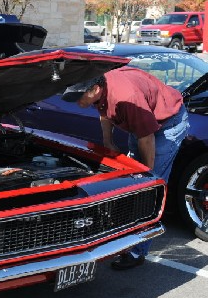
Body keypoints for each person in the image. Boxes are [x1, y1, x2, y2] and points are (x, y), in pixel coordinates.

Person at [62, 66, 189, 270]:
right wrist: (108, 141)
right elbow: (103, 111)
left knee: (148, 190)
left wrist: (147, 179)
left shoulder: (127, 98)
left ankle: (137, 251)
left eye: (79, 96)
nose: (77, 102)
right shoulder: (102, 88)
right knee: (131, 183)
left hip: (168, 124)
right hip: (143, 123)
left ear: (95, 89)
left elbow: (146, 139)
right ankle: (124, 236)